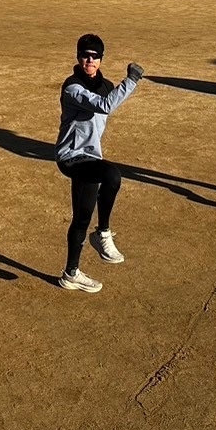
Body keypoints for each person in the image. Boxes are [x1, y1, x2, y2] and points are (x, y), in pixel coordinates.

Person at [55, 33, 145, 293]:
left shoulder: (106, 85)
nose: (89, 60)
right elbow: (105, 106)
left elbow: (108, 101)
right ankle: (103, 232)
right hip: (71, 157)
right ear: (78, 57)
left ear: (101, 59)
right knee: (112, 175)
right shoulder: (72, 88)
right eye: (85, 55)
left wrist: (120, 87)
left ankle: (71, 273)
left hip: (91, 157)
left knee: (81, 217)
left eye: (95, 56)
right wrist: (131, 80)